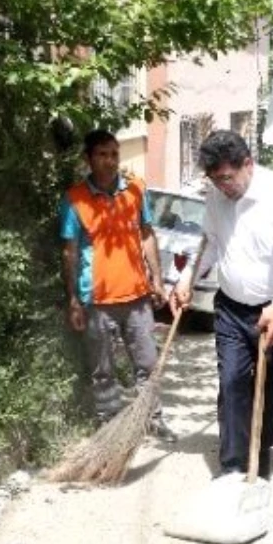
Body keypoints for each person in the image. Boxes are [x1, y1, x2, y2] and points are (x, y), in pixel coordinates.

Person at [169, 130, 273, 478]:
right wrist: (186, 279)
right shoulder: (217, 197)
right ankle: (234, 465)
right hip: (232, 308)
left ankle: (261, 448)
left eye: (227, 178)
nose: (222, 187)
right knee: (232, 381)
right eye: (215, 180)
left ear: (248, 164)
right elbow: (212, 243)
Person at [60, 129, 174, 440]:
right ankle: (109, 424)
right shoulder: (75, 200)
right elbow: (69, 252)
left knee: (148, 365)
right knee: (103, 370)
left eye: (114, 154)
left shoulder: (136, 191)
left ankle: (152, 418)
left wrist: (158, 280)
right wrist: (73, 300)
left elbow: (147, 235)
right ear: (88, 159)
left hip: (137, 297)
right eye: (102, 155)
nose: (110, 161)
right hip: (96, 302)